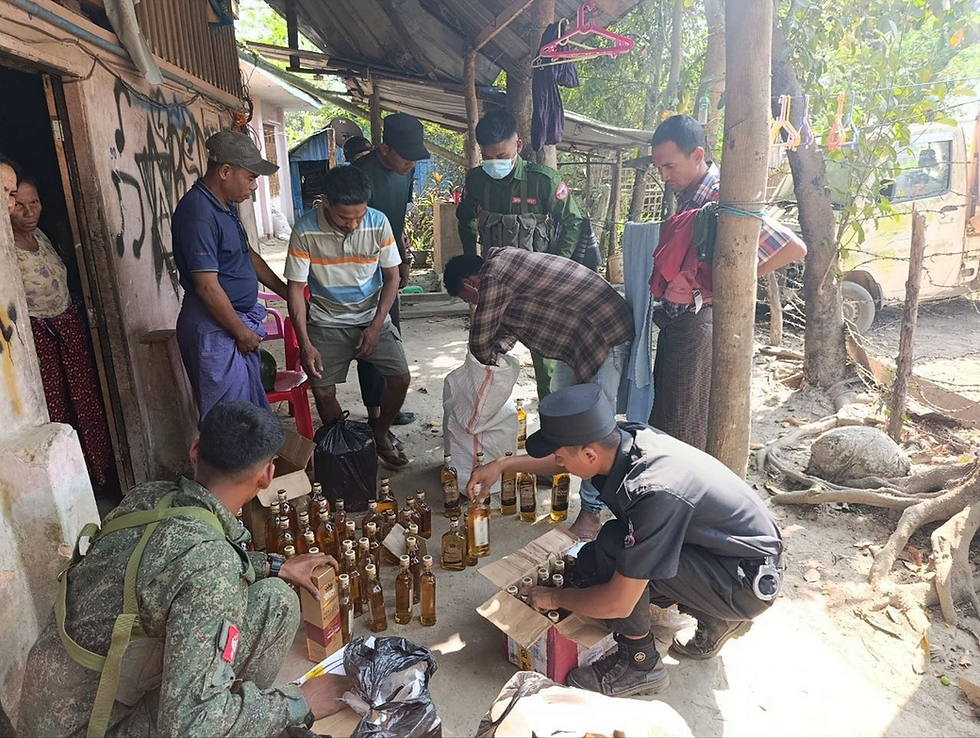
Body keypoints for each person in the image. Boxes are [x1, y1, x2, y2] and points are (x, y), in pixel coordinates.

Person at [18, 401, 352, 737]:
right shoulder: (210, 568)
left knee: (274, 600)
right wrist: (298, 702)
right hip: (94, 727)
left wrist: (274, 565)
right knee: (211, 707)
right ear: (267, 475)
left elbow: (167, 569)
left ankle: (240, 715)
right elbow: (190, 725)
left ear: (195, 450)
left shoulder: (148, 498)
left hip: (57, 708)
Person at [466, 384, 783, 698]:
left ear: (589, 453)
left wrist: (553, 597)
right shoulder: (624, 438)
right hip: (730, 554)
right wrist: (503, 465)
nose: (558, 463)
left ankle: (641, 663)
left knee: (615, 556)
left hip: (744, 582)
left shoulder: (651, 491)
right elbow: (566, 459)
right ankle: (716, 617)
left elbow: (617, 602)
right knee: (603, 552)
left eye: (560, 456)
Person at [444, 250, 632, 540]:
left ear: (470, 283)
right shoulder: (504, 275)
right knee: (560, 411)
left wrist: (482, 365)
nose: (474, 304)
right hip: (578, 341)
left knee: (593, 430)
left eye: (469, 300)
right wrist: (491, 360)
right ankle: (553, 464)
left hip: (603, 331)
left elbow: (481, 338)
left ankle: (591, 512)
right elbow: (504, 334)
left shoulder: (495, 273)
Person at [648, 115, 807, 450]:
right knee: (665, 420)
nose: (664, 176)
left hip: (697, 325)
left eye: (669, 166)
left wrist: (725, 291)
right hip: (676, 323)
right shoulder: (690, 196)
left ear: (697, 155)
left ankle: (687, 501)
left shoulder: (722, 200)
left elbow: (792, 247)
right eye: (659, 168)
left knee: (683, 430)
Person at [285, 165, 411, 469]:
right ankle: (345, 447)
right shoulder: (305, 230)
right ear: (326, 201)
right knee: (323, 390)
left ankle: (380, 435)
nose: (353, 224)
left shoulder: (378, 222)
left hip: (371, 318)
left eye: (359, 216)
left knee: (401, 378)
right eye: (344, 218)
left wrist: (376, 324)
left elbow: (392, 278)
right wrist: (306, 344)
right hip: (326, 322)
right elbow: (296, 290)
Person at [456, 107, 584, 401]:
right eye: (487, 157)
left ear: (518, 146)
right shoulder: (476, 181)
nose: (494, 163)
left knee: (546, 360)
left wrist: (558, 264)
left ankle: (552, 423)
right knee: (486, 350)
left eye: (501, 157)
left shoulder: (545, 181)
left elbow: (573, 221)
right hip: (495, 284)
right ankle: (486, 418)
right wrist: (470, 261)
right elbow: (463, 216)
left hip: (539, 285)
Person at [172, 130, 288, 421]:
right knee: (228, 422)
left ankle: (252, 468)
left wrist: (288, 292)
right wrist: (241, 332)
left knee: (247, 418)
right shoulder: (198, 214)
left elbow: (247, 255)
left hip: (232, 323)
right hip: (215, 328)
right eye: (250, 178)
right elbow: (208, 288)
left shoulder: (224, 206)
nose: (254, 187)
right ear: (225, 171)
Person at [9, 173, 114, 487]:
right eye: (20, 206)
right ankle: (69, 484)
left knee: (87, 405)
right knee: (55, 410)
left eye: (35, 203)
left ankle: (99, 474)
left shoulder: (41, 236)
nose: (29, 212)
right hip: (39, 342)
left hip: (69, 332)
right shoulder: (6, 249)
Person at [353, 113, 428, 434]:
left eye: (415, 157)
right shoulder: (359, 175)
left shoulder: (404, 172)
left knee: (390, 335)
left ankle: (389, 407)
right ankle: (374, 413)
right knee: (369, 338)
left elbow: (397, 222)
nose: (412, 163)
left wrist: (405, 260)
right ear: (384, 148)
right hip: (361, 270)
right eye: (406, 156)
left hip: (390, 266)